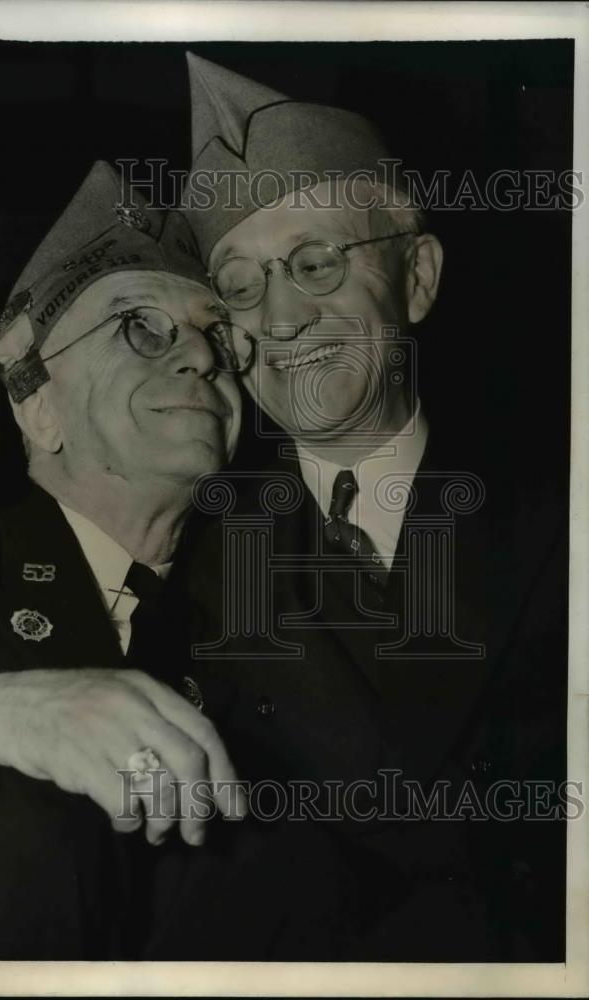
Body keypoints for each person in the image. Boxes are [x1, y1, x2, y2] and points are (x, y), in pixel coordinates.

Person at [166, 53, 569, 961]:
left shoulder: (559, 515)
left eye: (313, 263)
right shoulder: (185, 549)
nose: (278, 318)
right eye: (238, 285)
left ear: (417, 278)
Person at [0, 159, 249, 960]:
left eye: (217, 333)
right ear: (37, 407)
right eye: (140, 325)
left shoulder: (272, 618)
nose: (202, 359)